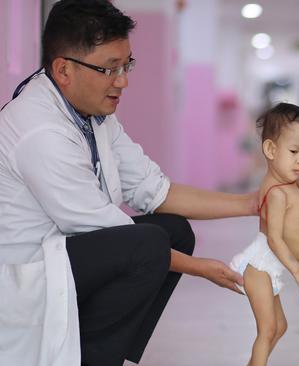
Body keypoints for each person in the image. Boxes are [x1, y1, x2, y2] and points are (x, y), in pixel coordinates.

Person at [0, 1, 256, 365]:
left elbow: (156, 190)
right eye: (109, 69)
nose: (122, 81)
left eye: (126, 65)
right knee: (147, 245)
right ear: (63, 70)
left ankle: (110, 355)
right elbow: (107, 228)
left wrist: (251, 204)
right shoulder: (40, 131)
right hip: (26, 276)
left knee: (173, 231)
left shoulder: (92, 114)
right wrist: (204, 268)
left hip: (63, 256)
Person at [229, 102, 299, 366]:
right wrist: (298, 272)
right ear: (270, 149)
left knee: (279, 327)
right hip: (260, 266)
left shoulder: (289, 180)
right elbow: (274, 239)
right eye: (294, 152)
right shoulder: (277, 193)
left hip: (269, 267)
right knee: (267, 329)